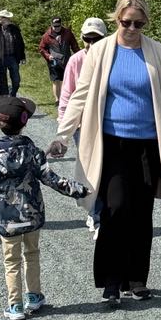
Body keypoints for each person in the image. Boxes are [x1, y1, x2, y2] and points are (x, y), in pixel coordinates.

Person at [48, 0, 161, 307]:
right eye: (126, 23)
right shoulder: (99, 52)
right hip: (111, 143)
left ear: (145, 23)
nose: (132, 29)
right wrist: (63, 136)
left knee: (141, 213)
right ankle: (111, 281)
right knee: (115, 208)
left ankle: (136, 280)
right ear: (116, 19)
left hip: (148, 145)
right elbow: (79, 97)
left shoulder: (157, 53)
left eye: (138, 23)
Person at [0, 96, 88, 320]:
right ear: (24, 122)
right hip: (32, 214)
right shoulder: (32, 150)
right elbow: (51, 179)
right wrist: (79, 190)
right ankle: (34, 296)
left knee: (11, 261)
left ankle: (15, 305)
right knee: (31, 254)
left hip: (6, 218)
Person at [58, 17, 108, 233]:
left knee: (108, 170)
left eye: (96, 39)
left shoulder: (111, 58)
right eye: (87, 39)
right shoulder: (76, 60)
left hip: (108, 124)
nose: (91, 44)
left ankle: (104, 213)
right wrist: (64, 131)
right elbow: (67, 95)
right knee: (90, 170)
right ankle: (95, 214)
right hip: (82, 126)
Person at [38, 17, 79, 104]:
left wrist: (79, 55)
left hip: (66, 60)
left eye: (58, 26)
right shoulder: (46, 35)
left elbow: (74, 46)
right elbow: (41, 48)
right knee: (56, 80)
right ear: (51, 25)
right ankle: (57, 100)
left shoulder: (68, 33)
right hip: (53, 61)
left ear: (61, 24)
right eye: (54, 26)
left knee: (67, 80)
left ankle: (66, 99)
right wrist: (48, 56)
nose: (56, 28)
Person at [0, 9, 26, 96]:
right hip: (1, 58)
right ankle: (5, 98)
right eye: (6, 18)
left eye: (8, 18)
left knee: (16, 81)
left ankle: (12, 94)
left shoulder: (14, 28)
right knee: (2, 81)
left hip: (13, 57)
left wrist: (22, 56)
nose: (8, 19)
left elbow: (20, 43)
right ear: (1, 19)